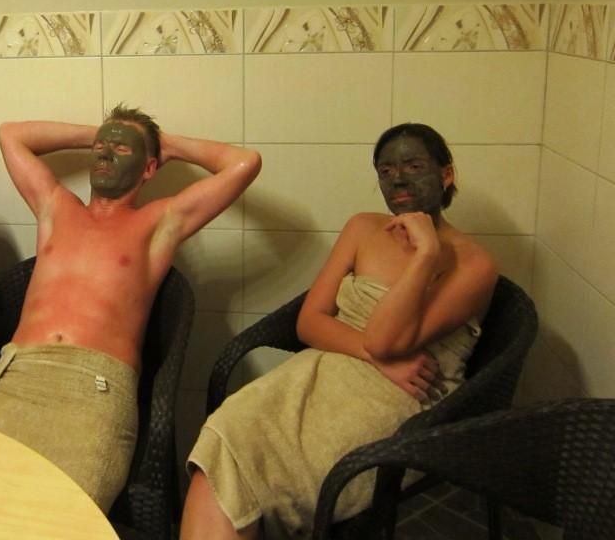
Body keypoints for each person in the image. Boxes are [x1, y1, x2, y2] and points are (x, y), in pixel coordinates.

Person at [179, 123, 498, 540]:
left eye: (414, 166)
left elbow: (386, 340)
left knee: (271, 465)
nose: (398, 179)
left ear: (446, 174)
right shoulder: (363, 227)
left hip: (405, 394)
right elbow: (310, 322)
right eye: (385, 171)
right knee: (230, 429)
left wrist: (426, 255)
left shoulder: (475, 264)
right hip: (332, 366)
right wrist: (378, 361)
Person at [0, 106, 262, 511]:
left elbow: (245, 163)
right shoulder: (56, 206)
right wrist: (102, 134)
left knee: (61, 514)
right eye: (100, 146)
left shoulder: (161, 221)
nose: (105, 153)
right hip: (21, 373)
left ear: (149, 167)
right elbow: (10, 134)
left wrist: (167, 145)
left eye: (121, 148)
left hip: (95, 388)